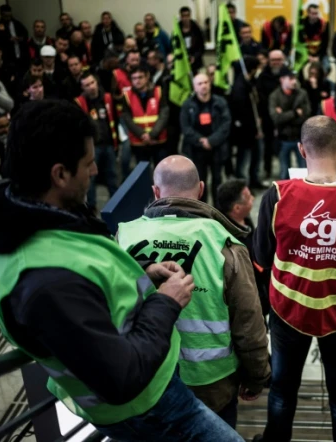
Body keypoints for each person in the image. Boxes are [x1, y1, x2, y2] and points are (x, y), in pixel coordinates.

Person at [0, 99, 243, 442]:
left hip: (157, 387)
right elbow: (121, 377)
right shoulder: (43, 282)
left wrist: (144, 273)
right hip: (146, 408)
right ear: (59, 174)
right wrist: (166, 301)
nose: (96, 172)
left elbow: (87, 286)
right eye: (87, 163)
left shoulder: (39, 220)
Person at [251, 116, 336, 442]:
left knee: (283, 391)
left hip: (289, 311)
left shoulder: (278, 196)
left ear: (301, 150)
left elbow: (261, 256)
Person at [117, 156, 270, 429]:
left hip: (146, 379)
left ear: (155, 192)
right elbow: (248, 321)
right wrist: (257, 375)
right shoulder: (225, 243)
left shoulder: (123, 236)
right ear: (200, 190)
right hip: (212, 384)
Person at [217, 178, 271, 317]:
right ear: (237, 208)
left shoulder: (245, 219)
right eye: (248, 197)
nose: (253, 198)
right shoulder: (227, 241)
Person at [181, 73, 231, 205]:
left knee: (217, 181)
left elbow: (225, 125)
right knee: (200, 183)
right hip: (196, 150)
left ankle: (218, 211)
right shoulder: (187, 105)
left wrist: (211, 141)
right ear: (194, 87)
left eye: (206, 82)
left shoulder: (220, 102)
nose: (203, 86)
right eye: (200, 84)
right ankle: (202, 210)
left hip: (217, 149)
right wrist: (201, 141)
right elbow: (186, 128)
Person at [75, 71, 118, 212]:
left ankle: (117, 204)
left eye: (92, 83)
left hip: (109, 144)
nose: (91, 87)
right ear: (83, 88)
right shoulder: (79, 103)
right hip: (92, 148)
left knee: (112, 176)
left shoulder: (107, 98)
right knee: (90, 179)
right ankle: (91, 208)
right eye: (87, 85)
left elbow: (114, 120)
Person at [268, 67, 311, 179]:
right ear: (282, 79)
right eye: (290, 78)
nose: (294, 81)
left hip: (300, 138)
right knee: (284, 172)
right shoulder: (275, 96)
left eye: (294, 78)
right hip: (283, 138)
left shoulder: (302, 94)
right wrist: (295, 113)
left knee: (304, 171)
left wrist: (284, 115)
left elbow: (306, 115)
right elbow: (276, 118)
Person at [122, 67, 169, 167]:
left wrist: (152, 134)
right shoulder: (127, 96)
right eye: (134, 78)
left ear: (147, 77)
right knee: (142, 174)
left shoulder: (158, 91)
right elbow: (127, 119)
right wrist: (142, 134)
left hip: (158, 140)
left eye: (140, 77)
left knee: (161, 173)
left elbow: (164, 115)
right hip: (139, 142)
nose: (137, 81)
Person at [228, 56, 262, 188]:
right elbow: (243, 112)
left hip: (252, 129)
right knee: (243, 160)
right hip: (245, 132)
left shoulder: (249, 83)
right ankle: (242, 186)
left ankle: (254, 181)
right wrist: (254, 130)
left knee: (255, 157)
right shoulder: (241, 87)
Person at [256, 50, 285, 179]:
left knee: (283, 146)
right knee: (267, 146)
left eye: (278, 59)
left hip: (285, 116)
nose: (276, 62)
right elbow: (260, 97)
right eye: (273, 60)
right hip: (268, 116)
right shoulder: (263, 76)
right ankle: (267, 170)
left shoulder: (288, 73)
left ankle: (285, 171)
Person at [0, 5, 29, 72]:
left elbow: (25, 34)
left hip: (21, 55)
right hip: (7, 57)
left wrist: (20, 38)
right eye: (6, 16)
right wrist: (8, 40)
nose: (8, 18)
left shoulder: (17, 23)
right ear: (1, 14)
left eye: (9, 16)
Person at [302, 4, 330, 72]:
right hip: (305, 53)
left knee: (327, 67)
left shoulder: (324, 25)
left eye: (316, 13)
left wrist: (318, 57)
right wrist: (307, 56)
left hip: (320, 53)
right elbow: (300, 43)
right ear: (308, 13)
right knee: (299, 69)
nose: (315, 16)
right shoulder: (301, 24)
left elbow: (325, 44)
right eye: (313, 13)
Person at [179, 7, 205, 72]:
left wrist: (195, 57)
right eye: (183, 16)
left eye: (187, 15)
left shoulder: (196, 29)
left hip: (196, 62)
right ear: (181, 17)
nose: (185, 18)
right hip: (182, 62)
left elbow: (201, 47)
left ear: (190, 16)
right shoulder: (177, 30)